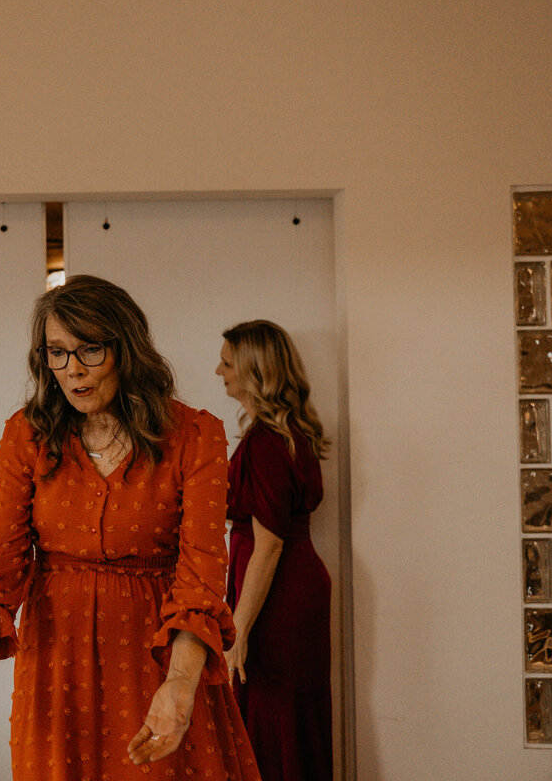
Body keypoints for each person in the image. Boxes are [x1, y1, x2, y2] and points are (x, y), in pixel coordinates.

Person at [0, 275, 260, 781]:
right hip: (56, 663)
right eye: (57, 353)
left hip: (159, 660)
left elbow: (201, 573)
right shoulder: (27, 434)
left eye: (90, 350)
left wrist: (181, 683)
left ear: (126, 349)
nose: (73, 370)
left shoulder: (194, 435)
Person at [216, 320, 332, 781]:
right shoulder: (280, 435)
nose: (218, 370)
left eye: (227, 363)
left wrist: (238, 632)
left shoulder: (267, 443)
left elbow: (268, 546)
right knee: (282, 716)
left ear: (252, 370)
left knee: (274, 715)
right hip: (285, 587)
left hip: (278, 595)